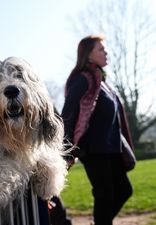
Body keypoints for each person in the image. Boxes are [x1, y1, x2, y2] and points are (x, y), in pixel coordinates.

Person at [61, 35, 133, 225]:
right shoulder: (83, 79)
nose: (106, 52)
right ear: (88, 55)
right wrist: (66, 149)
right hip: (94, 150)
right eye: (101, 49)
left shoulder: (102, 82)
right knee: (105, 196)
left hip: (111, 149)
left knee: (124, 190)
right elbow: (68, 113)